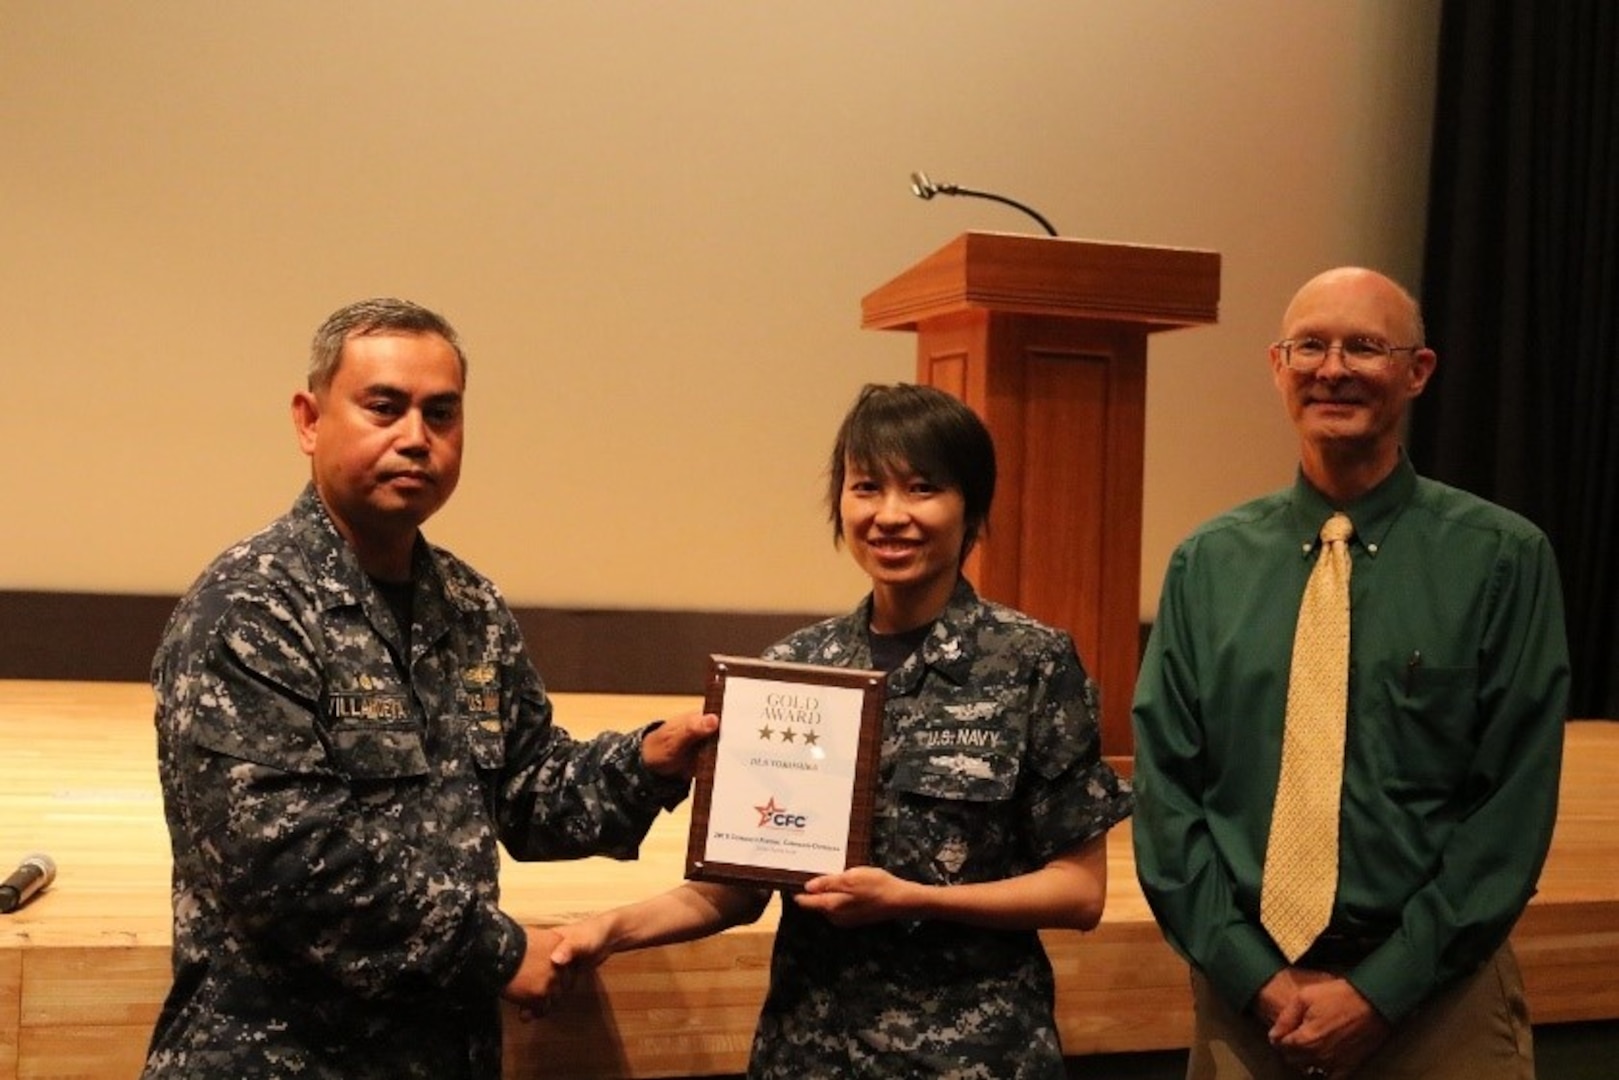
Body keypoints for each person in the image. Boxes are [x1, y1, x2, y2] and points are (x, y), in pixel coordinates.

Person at [141, 298, 717, 1080]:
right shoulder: (251, 606)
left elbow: (525, 788)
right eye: (384, 408)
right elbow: (284, 859)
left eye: (440, 414)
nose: (415, 437)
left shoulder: (468, 605)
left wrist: (649, 761)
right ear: (309, 420)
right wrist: (500, 950)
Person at [550, 382, 1133, 1078]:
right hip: (809, 1054)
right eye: (866, 488)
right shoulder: (791, 671)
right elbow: (732, 890)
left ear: (971, 509)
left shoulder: (1032, 663)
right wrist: (606, 930)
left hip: (972, 1060)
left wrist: (910, 899)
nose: (890, 516)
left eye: (921, 489)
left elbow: (1077, 891)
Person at [1131, 267, 1570, 1080]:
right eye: (1309, 346)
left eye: (1363, 347)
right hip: (1249, 1004)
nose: (1330, 369)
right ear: (1276, 364)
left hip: (1437, 1002)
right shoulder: (1206, 565)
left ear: (1417, 371)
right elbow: (1166, 800)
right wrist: (1253, 977)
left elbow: (1508, 809)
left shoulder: (1501, 561)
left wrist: (1382, 990)